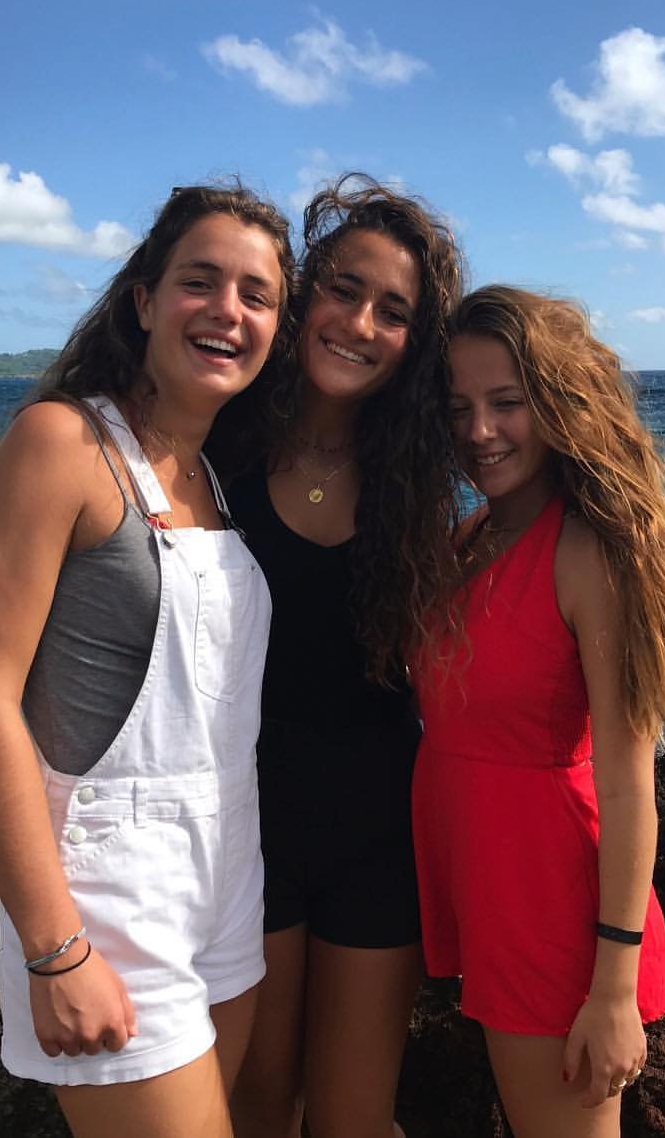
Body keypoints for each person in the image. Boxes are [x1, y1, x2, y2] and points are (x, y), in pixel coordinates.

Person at [0, 183, 295, 1138]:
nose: (227, 311)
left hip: (228, 875)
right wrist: (54, 948)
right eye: (199, 281)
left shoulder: (216, 474)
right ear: (144, 301)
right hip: (107, 892)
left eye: (257, 296)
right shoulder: (62, 442)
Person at [411, 285, 665, 1138]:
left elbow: (627, 786)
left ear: (560, 403)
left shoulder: (587, 553)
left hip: (552, 911)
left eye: (507, 402)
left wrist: (613, 990)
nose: (480, 430)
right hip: (487, 889)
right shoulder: (468, 540)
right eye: (459, 408)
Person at [209, 174, 465, 1138]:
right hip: (246, 828)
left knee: (356, 1117)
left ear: (414, 343)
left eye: (393, 312)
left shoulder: (417, 483)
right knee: (260, 1103)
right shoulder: (219, 446)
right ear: (304, 291)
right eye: (344, 290)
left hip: (379, 832)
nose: (360, 324)